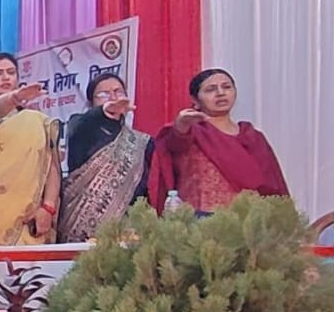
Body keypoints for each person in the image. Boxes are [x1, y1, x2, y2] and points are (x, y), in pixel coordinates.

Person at [148, 68, 288, 214]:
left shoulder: (253, 137)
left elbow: (273, 187)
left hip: (251, 221)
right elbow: (175, 145)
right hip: (202, 221)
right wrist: (181, 126)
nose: (221, 93)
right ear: (195, 100)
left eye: (226, 87)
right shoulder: (191, 132)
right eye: (210, 89)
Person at [0, 52, 61, 247]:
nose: (6, 77)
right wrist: (13, 98)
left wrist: (48, 208)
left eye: (11, 72)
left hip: (29, 219)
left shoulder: (36, 120)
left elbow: (51, 167)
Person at [59, 74, 153, 241]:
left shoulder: (141, 142)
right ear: (91, 103)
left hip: (126, 232)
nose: (113, 98)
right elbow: (80, 123)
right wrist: (103, 112)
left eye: (118, 92)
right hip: (79, 231)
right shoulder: (81, 127)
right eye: (104, 94)